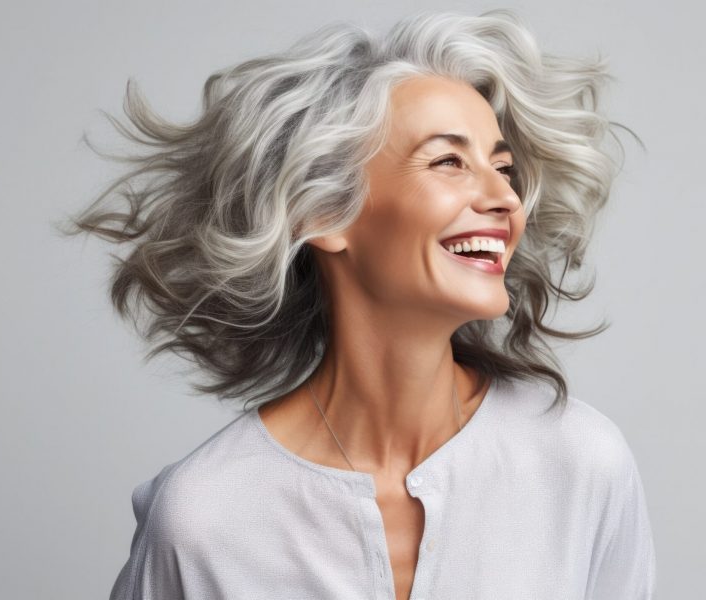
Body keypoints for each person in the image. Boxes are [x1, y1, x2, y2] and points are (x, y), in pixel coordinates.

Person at [59, 9, 656, 599]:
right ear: (323, 212)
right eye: (449, 161)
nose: (505, 197)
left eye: (503, 168)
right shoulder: (206, 520)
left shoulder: (579, 463)